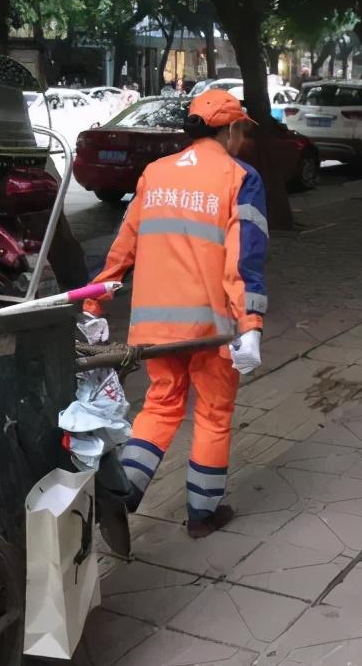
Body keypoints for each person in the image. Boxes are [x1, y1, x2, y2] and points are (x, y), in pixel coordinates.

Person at [84, 89, 269, 539]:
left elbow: (124, 242)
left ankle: (124, 494)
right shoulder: (240, 177)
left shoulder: (155, 173)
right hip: (211, 327)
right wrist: (251, 325)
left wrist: (93, 302)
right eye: (242, 130)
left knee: (161, 405)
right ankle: (202, 515)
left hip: (154, 325)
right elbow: (244, 258)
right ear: (229, 130)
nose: (243, 140)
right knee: (212, 412)